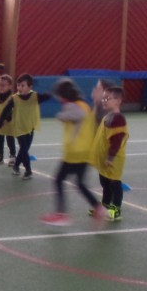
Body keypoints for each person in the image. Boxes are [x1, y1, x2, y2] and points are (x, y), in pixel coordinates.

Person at [39, 78, 107, 226]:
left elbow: (78, 115)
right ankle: (98, 207)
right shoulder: (83, 105)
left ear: (63, 95)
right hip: (84, 152)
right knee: (80, 183)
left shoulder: (74, 106)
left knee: (58, 179)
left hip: (75, 152)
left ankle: (61, 214)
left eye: (59, 95)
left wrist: (61, 116)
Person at [0, 73, 51, 180]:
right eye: (18, 85)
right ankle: (28, 171)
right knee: (24, 149)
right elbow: (6, 110)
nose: (19, 88)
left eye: (22, 85)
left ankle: (16, 166)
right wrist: (0, 122)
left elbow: (46, 97)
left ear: (30, 87)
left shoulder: (34, 96)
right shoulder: (14, 98)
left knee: (24, 149)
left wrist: (53, 93)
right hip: (19, 128)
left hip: (30, 127)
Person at [92, 84, 129, 221]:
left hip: (113, 158)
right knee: (105, 183)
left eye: (107, 98)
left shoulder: (118, 119)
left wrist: (111, 156)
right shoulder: (108, 116)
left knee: (114, 184)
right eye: (103, 98)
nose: (104, 101)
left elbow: (117, 140)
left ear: (117, 101)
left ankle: (115, 209)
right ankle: (105, 206)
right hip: (104, 157)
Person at [0, 73, 17, 165]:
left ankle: (13, 156)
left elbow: (13, 112)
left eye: (3, 85)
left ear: (10, 86)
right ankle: (0, 156)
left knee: (10, 140)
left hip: (8, 124)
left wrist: (6, 119)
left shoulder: (13, 98)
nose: (0, 87)